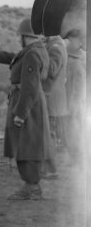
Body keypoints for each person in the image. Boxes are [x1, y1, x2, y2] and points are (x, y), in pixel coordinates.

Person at [0, 19, 51, 200]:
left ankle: (31, 187)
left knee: (26, 146)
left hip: (27, 103)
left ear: (25, 36)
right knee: (26, 144)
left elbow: (30, 86)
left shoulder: (32, 53)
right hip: (29, 102)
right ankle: (32, 185)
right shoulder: (34, 50)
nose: (19, 39)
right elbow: (14, 58)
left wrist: (20, 114)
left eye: (20, 36)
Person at [41, 35, 69, 178]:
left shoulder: (56, 47)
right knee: (48, 134)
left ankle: (49, 170)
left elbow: (51, 71)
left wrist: (40, 53)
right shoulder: (53, 45)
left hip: (51, 99)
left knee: (49, 135)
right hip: (51, 98)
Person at [63, 28, 86, 165]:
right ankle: (75, 158)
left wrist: (73, 105)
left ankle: (78, 159)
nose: (67, 41)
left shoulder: (79, 60)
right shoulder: (70, 57)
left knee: (75, 130)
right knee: (70, 131)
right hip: (70, 100)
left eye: (69, 39)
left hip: (75, 103)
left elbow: (79, 87)